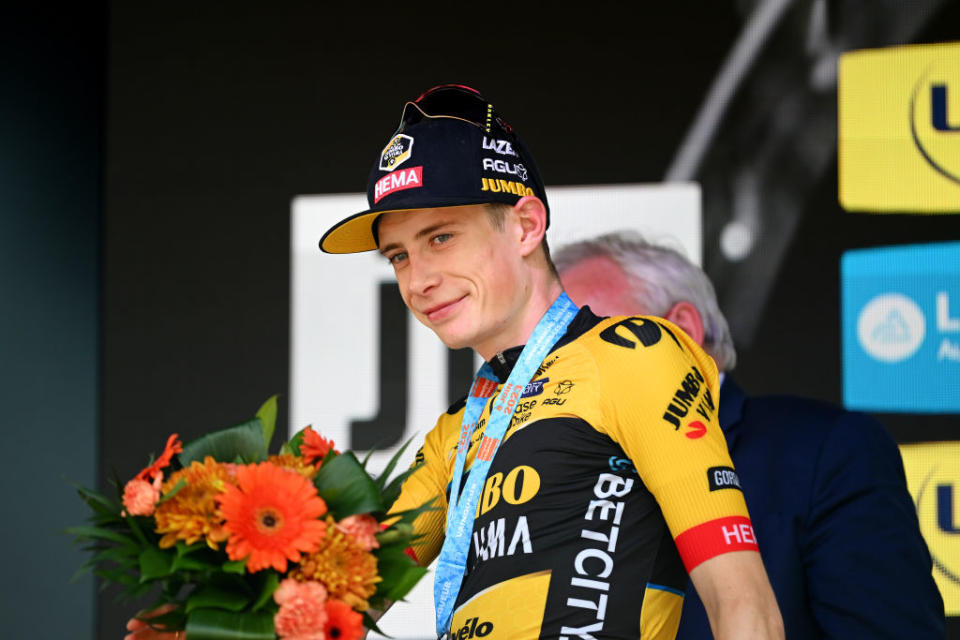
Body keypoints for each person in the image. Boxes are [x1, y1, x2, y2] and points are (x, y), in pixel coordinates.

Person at [320, 85, 783, 640]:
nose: (417, 280)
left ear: (526, 226)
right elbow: (336, 594)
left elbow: (744, 605)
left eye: (440, 237)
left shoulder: (634, 354)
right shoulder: (461, 428)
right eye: (398, 256)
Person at [554, 232, 946, 639]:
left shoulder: (828, 452)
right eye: (553, 359)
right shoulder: (536, 486)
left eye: (591, 342)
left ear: (681, 330)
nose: (565, 375)